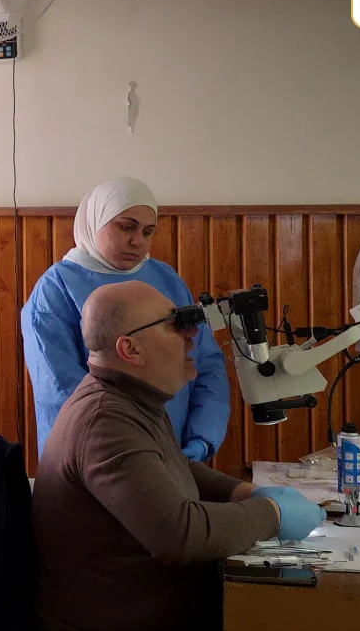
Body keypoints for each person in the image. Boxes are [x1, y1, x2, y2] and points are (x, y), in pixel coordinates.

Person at [31, 281, 324, 631]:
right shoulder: (106, 421)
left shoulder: (127, 397)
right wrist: (271, 514)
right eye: (175, 324)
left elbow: (174, 465)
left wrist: (243, 491)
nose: (192, 335)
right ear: (130, 349)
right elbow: (179, 534)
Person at [21, 176, 228, 461]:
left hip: (177, 454)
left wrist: (201, 440)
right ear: (95, 221)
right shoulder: (57, 289)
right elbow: (62, 389)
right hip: (99, 458)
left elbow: (206, 364)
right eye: (126, 227)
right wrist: (131, 455)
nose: (137, 241)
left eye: (148, 231)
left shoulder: (167, 279)